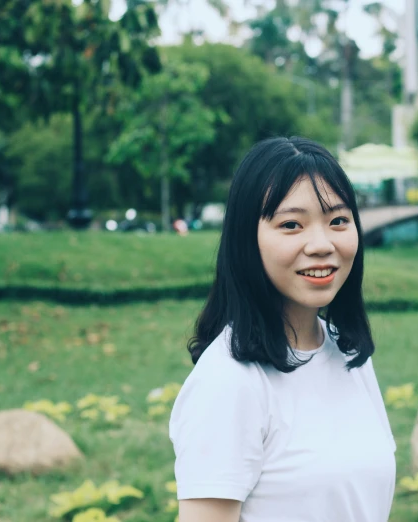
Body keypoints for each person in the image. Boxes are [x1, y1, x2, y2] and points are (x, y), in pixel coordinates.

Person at [169, 137, 397, 522]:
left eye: (338, 221)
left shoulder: (347, 353)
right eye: (291, 225)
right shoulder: (229, 381)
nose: (322, 244)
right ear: (246, 240)